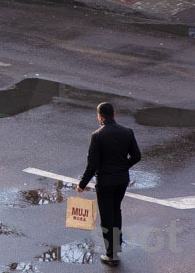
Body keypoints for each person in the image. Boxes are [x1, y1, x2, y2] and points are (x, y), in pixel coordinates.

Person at [77, 102, 141, 266]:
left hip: (105, 181)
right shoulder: (127, 132)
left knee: (106, 216)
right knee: (116, 210)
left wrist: (82, 184)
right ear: (114, 114)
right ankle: (117, 244)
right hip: (121, 181)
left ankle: (111, 255)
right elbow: (136, 156)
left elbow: (92, 165)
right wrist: (123, 166)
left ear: (100, 116)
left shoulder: (97, 136)